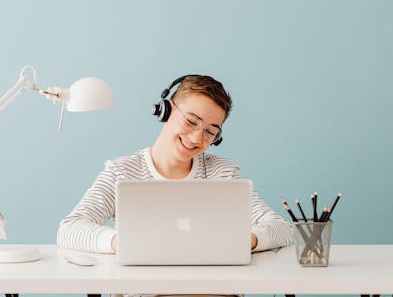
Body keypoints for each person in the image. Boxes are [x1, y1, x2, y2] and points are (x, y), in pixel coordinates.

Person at [57, 74, 292, 256]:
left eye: (210, 132)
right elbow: (69, 230)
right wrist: (119, 242)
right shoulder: (122, 172)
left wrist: (247, 240)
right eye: (191, 121)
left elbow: (281, 228)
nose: (196, 139)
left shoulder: (223, 173)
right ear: (166, 111)